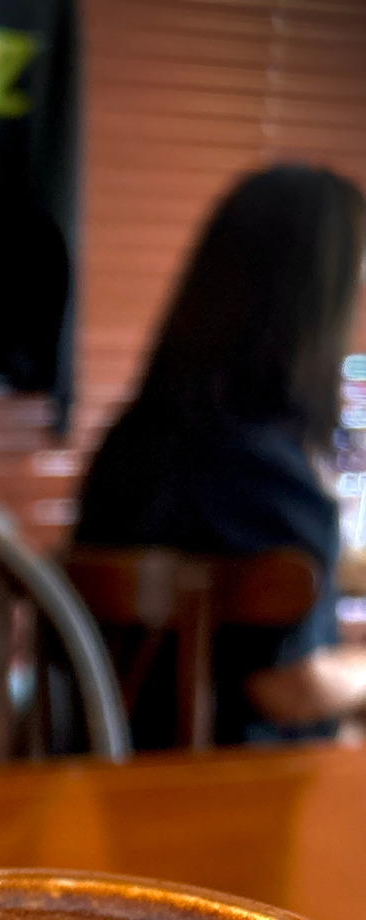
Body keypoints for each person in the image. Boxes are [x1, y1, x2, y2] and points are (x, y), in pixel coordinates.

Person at [73, 163, 366, 747]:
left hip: (111, 769)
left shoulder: (135, 439)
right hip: (225, 783)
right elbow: (289, 686)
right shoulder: (261, 472)